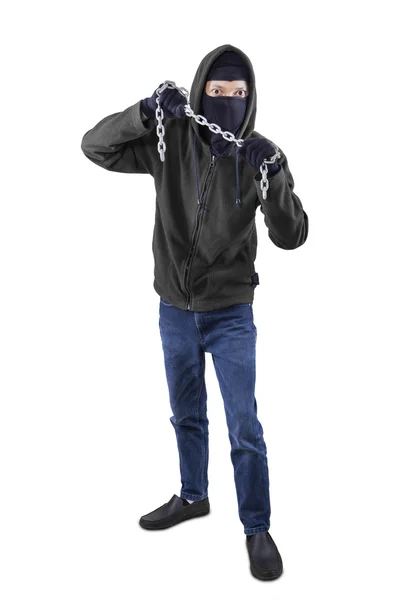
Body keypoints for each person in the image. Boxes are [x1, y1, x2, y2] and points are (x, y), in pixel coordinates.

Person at [81, 43, 309, 581]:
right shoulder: (171, 139)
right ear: (200, 86)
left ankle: (257, 527)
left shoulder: (261, 153)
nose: (227, 99)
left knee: (243, 425)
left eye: (238, 93)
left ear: (249, 98)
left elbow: (293, 236)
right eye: (217, 90)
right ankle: (192, 496)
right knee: (185, 413)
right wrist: (142, 112)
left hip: (231, 314)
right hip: (174, 311)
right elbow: (94, 147)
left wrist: (272, 182)